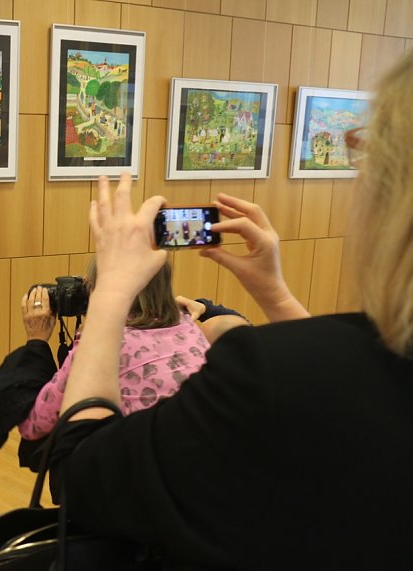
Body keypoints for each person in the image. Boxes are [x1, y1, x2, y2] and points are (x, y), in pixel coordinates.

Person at [53, 50, 413, 568]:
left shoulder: (262, 370)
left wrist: (110, 293)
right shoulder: (335, 370)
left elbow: (82, 471)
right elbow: (359, 386)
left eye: (362, 150)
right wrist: (276, 295)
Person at [17, 258, 210, 441]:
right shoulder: (190, 326)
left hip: (143, 467)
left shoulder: (102, 346)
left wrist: (37, 339)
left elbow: (34, 426)